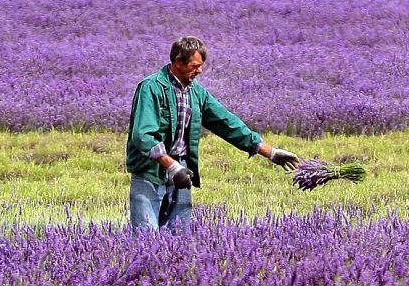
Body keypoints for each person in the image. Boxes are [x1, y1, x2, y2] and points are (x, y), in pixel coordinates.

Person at [125, 36, 299, 230]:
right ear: (178, 62)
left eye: (201, 66)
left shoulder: (196, 92)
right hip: (150, 170)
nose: (200, 70)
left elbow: (226, 122)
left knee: (180, 237)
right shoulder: (151, 88)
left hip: (182, 168)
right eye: (194, 65)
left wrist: (270, 152)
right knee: (145, 234)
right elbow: (143, 136)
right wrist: (172, 167)